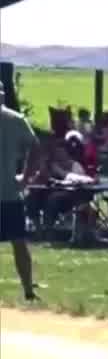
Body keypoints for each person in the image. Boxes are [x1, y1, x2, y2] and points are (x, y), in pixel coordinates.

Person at [1, 103, 44, 301]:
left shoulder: (13, 119)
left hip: (8, 192)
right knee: (19, 242)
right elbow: (35, 147)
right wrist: (26, 178)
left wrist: (25, 178)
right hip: (9, 192)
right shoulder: (15, 119)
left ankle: (28, 289)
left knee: (19, 243)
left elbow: (35, 148)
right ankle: (28, 289)